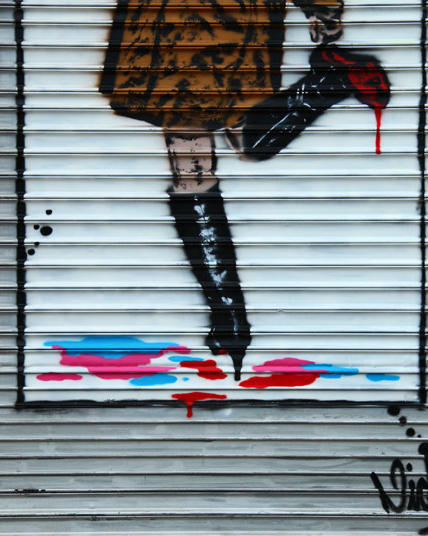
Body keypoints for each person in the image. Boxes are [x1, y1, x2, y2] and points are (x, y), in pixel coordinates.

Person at [100, 0, 390, 380]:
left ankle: (230, 320)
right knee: (227, 140)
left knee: (196, 151)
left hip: (185, 25)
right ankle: (328, 82)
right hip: (205, 23)